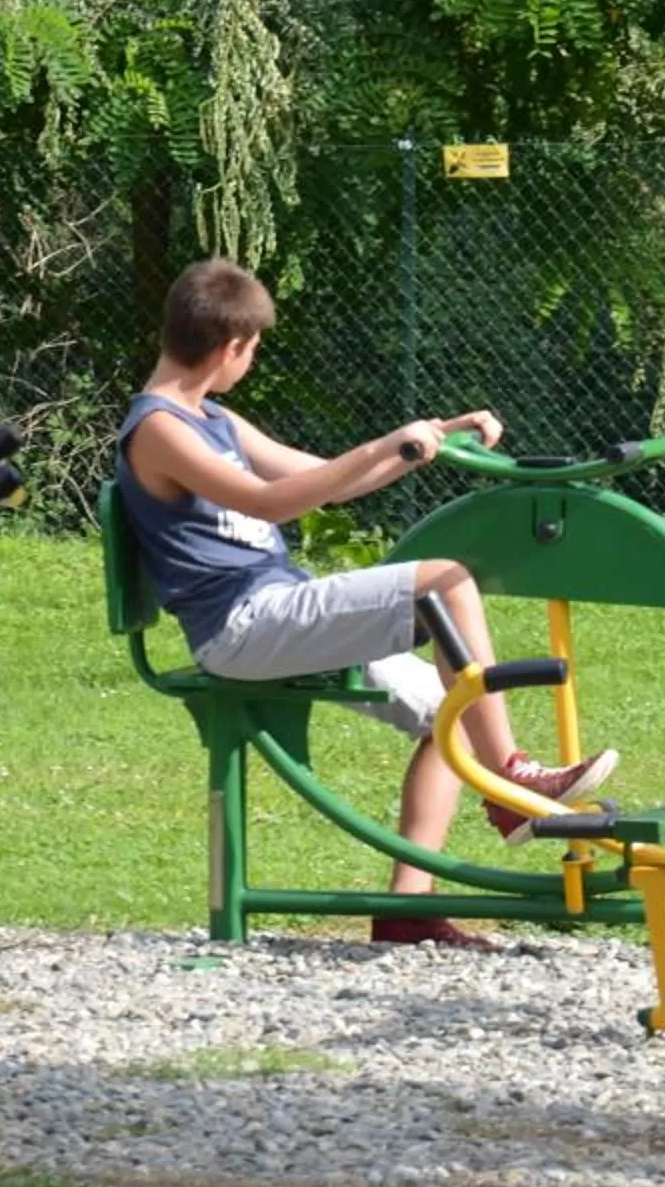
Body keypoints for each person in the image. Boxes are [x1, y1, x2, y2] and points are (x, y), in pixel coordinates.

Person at [116, 258, 616, 950]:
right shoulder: (159, 430)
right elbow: (272, 500)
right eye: (253, 350)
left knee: (454, 711)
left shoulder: (215, 420)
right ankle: (508, 782)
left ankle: (407, 910)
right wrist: (388, 442)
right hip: (242, 627)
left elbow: (327, 481)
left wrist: (434, 437)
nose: (250, 361)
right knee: (445, 580)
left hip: (276, 608)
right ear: (231, 347)